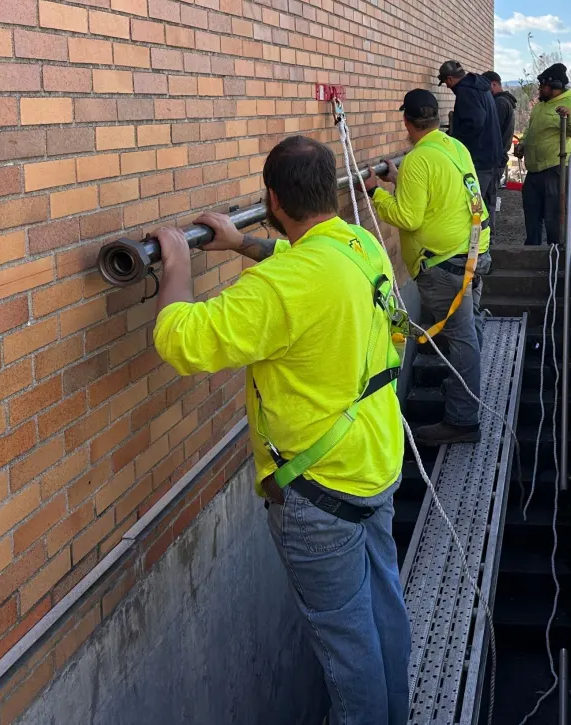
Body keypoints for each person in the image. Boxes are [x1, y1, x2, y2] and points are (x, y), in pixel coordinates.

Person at [151, 136, 410, 725]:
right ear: (327, 190)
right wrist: (242, 243)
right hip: (375, 462)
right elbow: (304, 272)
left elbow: (182, 340)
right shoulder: (359, 243)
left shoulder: (286, 285)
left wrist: (177, 264)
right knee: (382, 613)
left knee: (347, 651)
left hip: (319, 493)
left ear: (272, 197)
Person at [365, 88, 491, 446]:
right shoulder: (453, 147)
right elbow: (443, 193)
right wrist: (399, 181)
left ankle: (463, 420)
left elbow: (407, 216)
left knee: (460, 338)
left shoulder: (419, 160)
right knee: (468, 331)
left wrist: (376, 192)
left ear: (406, 121)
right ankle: (464, 391)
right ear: (437, 119)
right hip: (474, 254)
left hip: (446, 266)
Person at [514, 63, 571, 246]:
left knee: (553, 214)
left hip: (556, 168)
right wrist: (523, 143)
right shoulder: (541, 106)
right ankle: (532, 250)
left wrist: (569, 117)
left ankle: (556, 252)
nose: (540, 89)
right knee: (531, 210)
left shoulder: (570, 103)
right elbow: (531, 128)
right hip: (535, 168)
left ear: (555, 86)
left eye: (543, 86)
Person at [438, 60, 504, 216]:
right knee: (486, 206)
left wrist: (455, 140)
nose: (448, 87)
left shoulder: (465, 91)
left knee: (474, 209)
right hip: (493, 157)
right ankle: (488, 239)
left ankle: (477, 240)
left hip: (479, 161)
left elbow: (475, 121)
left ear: (449, 79)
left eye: (446, 83)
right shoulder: (481, 87)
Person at [483, 70, 517, 186]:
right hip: (499, 157)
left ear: (493, 84)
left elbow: (491, 130)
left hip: (494, 159)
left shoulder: (500, 103)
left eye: (485, 87)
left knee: (487, 198)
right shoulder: (505, 101)